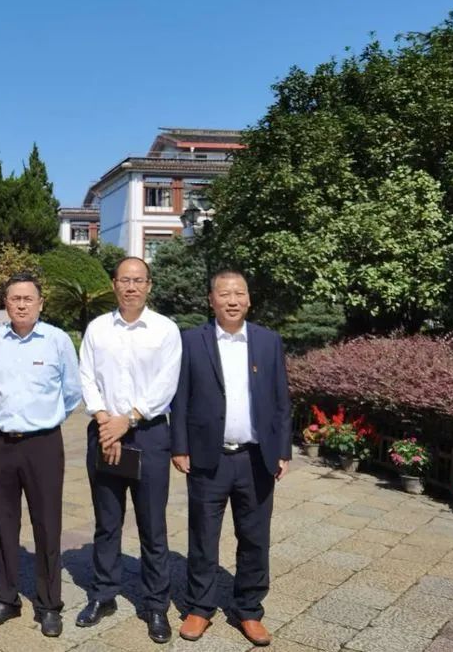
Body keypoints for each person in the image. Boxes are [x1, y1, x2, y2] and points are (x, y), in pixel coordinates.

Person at [171, 270, 291, 647]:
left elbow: (281, 400)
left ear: (249, 299)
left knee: (255, 538)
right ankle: (200, 607)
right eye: (224, 294)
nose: (232, 300)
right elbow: (180, 397)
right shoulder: (192, 340)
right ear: (212, 300)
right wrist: (179, 446)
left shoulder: (268, 341)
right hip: (208, 457)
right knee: (203, 536)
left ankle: (249, 609)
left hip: (256, 458)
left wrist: (283, 450)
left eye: (239, 293)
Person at [77, 257, 181, 644]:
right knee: (107, 521)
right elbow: (86, 375)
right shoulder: (98, 328)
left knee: (152, 525)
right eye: (125, 280)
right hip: (105, 432)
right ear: (114, 284)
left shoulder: (165, 330)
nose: (131, 287)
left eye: (139, 280)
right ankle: (103, 594)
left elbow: (166, 383)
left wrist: (130, 418)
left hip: (149, 435)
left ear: (149, 285)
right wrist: (106, 419)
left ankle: (155, 605)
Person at [0, 273, 82, 638]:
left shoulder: (57, 340)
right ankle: (6, 598)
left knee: (47, 523)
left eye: (28, 298)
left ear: (40, 303)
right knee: (3, 521)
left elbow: (72, 391)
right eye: (14, 298)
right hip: (0, 442)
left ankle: (49, 604)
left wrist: (44, 419)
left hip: (43, 444)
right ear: (6, 303)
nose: (21, 304)